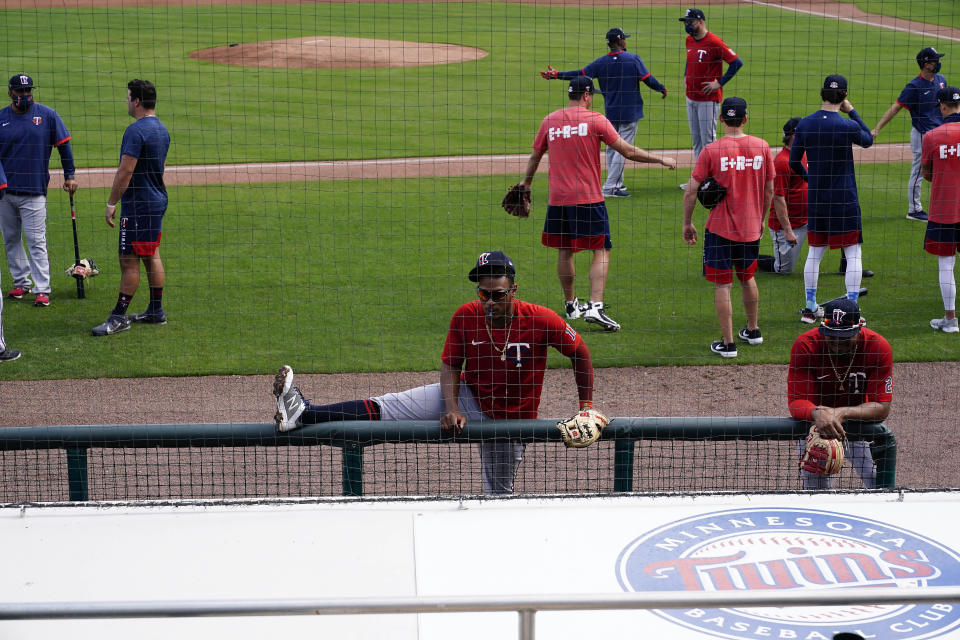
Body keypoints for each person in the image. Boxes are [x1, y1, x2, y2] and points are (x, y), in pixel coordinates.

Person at [273, 251, 603, 495]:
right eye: (484, 294)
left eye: (498, 295)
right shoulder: (466, 316)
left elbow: (581, 353)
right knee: (388, 406)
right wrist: (452, 407)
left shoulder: (542, 319)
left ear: (513, 291)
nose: (490, 302)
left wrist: (585, 406)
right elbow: (450, 365)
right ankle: (304, 414)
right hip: (469, 396)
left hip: (511, 420)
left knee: (500, 495)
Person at [519, 76, 676, 331]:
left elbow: (536, 155)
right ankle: (595, 306)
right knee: (601, 248)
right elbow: (628, 151)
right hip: (588, 198)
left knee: (564, 249)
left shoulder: (550, 120)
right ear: (587, 95)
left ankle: (571, 305)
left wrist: (526, 183)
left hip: (557, 199)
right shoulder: (595, 120)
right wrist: (660, 159)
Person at [681, 97, 774, 358]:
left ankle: (729, 343)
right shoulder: (763, 147)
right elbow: (769, 189)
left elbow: (691, 192)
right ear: (745, 118)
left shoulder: (711, 151)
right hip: (751, 227)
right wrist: (761, 217)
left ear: (721, 119)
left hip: (720, 229)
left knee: (723, 286)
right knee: (748, 277)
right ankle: (753, 331)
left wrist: (687, 223)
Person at [540, 27, 667, 198]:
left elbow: (579, 74)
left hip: (612, 112)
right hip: (630, 112)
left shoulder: (601, 63)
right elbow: (648, 80)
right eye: (624, 39)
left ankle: (617, 183)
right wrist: (661, 88)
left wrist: (557, 75)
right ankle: (611, 187)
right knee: (624, 148)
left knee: (611, 148)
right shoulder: (633, 59)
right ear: (620, 41)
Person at [790, 74, 873, 324]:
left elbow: (794, 162)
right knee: (853, 251)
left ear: (821, 93)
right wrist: (853, 112)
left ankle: (810, 306)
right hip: (844, 199)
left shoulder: (804, 124)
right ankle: (852, 311)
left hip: (817, 200)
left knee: (815, 252)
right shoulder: (846, 126)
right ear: (844, 96)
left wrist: (811, 180)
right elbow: (868, 139)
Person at [788, 297, 892, 489]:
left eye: (845, 337)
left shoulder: (877, 347)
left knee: (878, 482)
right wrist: (816, 413)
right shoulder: (806, 345)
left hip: (859, 426)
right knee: (815, 492)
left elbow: (882, 406)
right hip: (816, 428)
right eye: (831, 335)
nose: (837, 342)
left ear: (860, 327)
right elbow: (797, 401)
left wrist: (841, 413)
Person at [93, 79, 170, 337]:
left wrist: (111, 202)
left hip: (138, 205)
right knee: (151, 254)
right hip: (157, 200)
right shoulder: (162, 129)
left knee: (129, 261)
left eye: (128, 97)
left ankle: (119, 317)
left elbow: (125, 171)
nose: (126, 101)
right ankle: (155, 311)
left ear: (136, 101)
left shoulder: (135, 131)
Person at [0, 74, 78, 307]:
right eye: (20, 92)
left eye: (28, 91)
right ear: (10, 93)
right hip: (5, 193)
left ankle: (42, 288)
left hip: (34, 190)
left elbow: (64, 146)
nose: (25, 96)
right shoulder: (1, 118)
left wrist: (70, 175)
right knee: (11, 239)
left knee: (36, 240)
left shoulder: (47, 115)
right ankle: (21, 282)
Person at [871, 47, 948, 222]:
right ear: (926, 64)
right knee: (920, 171)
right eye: (935, 60)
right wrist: (877, 128)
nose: (938, 63)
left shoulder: (941, 80)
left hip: (942, 134)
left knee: (943, 170)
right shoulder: (914, 87)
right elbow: (896, 107)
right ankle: (914, 210)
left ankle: (943, 205)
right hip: (923, 135)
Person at [678, 7, 743, 189]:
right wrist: (685, 75)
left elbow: (736, 62)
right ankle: (700, 179)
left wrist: (719, 83)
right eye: (686, 22)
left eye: (690, 22)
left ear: (700, 21)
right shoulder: (689, 40)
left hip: (708, 100)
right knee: (697, 140)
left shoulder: (714, 42)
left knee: (708, 141)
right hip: (690, 97)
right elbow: (689, 60)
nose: (687, 25)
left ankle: (712, 179)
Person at [920, 86, 960, 333]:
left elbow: (926, 173)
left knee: (946, 264)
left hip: (944, 208)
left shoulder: (932, 136)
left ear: (942, 107)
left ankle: (950, 319)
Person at [757, 117, 802, 274]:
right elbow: (778, 198)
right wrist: (788, 230)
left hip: (808, 221)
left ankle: (846, 266)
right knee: (784, 269)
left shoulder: (806, 154)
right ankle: (749, 258)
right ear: (794, 136)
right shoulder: (782, 162)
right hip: (787, 226)